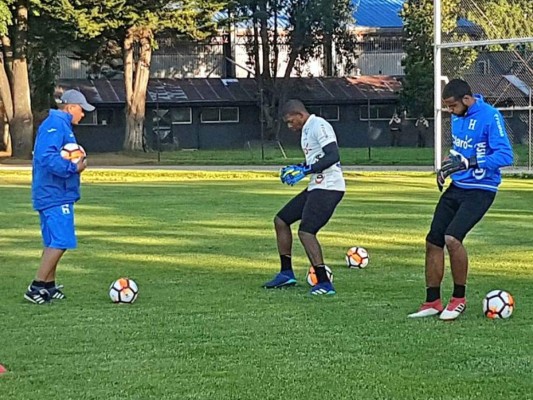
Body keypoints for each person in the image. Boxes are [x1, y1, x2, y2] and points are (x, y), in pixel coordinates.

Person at [408, 79, 514, 320]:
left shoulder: (490, 116)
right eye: (446, 107)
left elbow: (506, 155)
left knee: (452, 238)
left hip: (481, 189)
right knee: (433, 240)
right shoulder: (457, 117)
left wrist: (472, 163)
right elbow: (460, 151)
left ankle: (458, 299)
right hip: (458, 186)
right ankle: (432, 301)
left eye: (452, 106)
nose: (449, 111)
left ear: (467, 100)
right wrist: (447, 165)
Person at [263, 99, 345, 296]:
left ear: (300, 115)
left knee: (307, 232)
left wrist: (306, 170)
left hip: (329, 187)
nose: (290, 126)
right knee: (281, 220)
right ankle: (286, 273)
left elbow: (333, 156)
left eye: (291, 122)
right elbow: (316, 159)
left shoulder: (319, 125)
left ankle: (324, 283)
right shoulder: (306, 131)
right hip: (316, 185)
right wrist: (300, 167)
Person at [25, 89, 94, 304]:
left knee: (53, 240)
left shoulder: (60, 125)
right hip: (54, 193)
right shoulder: (56, 125)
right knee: (61, 240)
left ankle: (49, 286)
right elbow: (46, 157)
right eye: (81, 110)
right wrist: (73, 168)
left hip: (55, 192)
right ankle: (35, 287)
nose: (83, 115)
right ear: (70, 107)